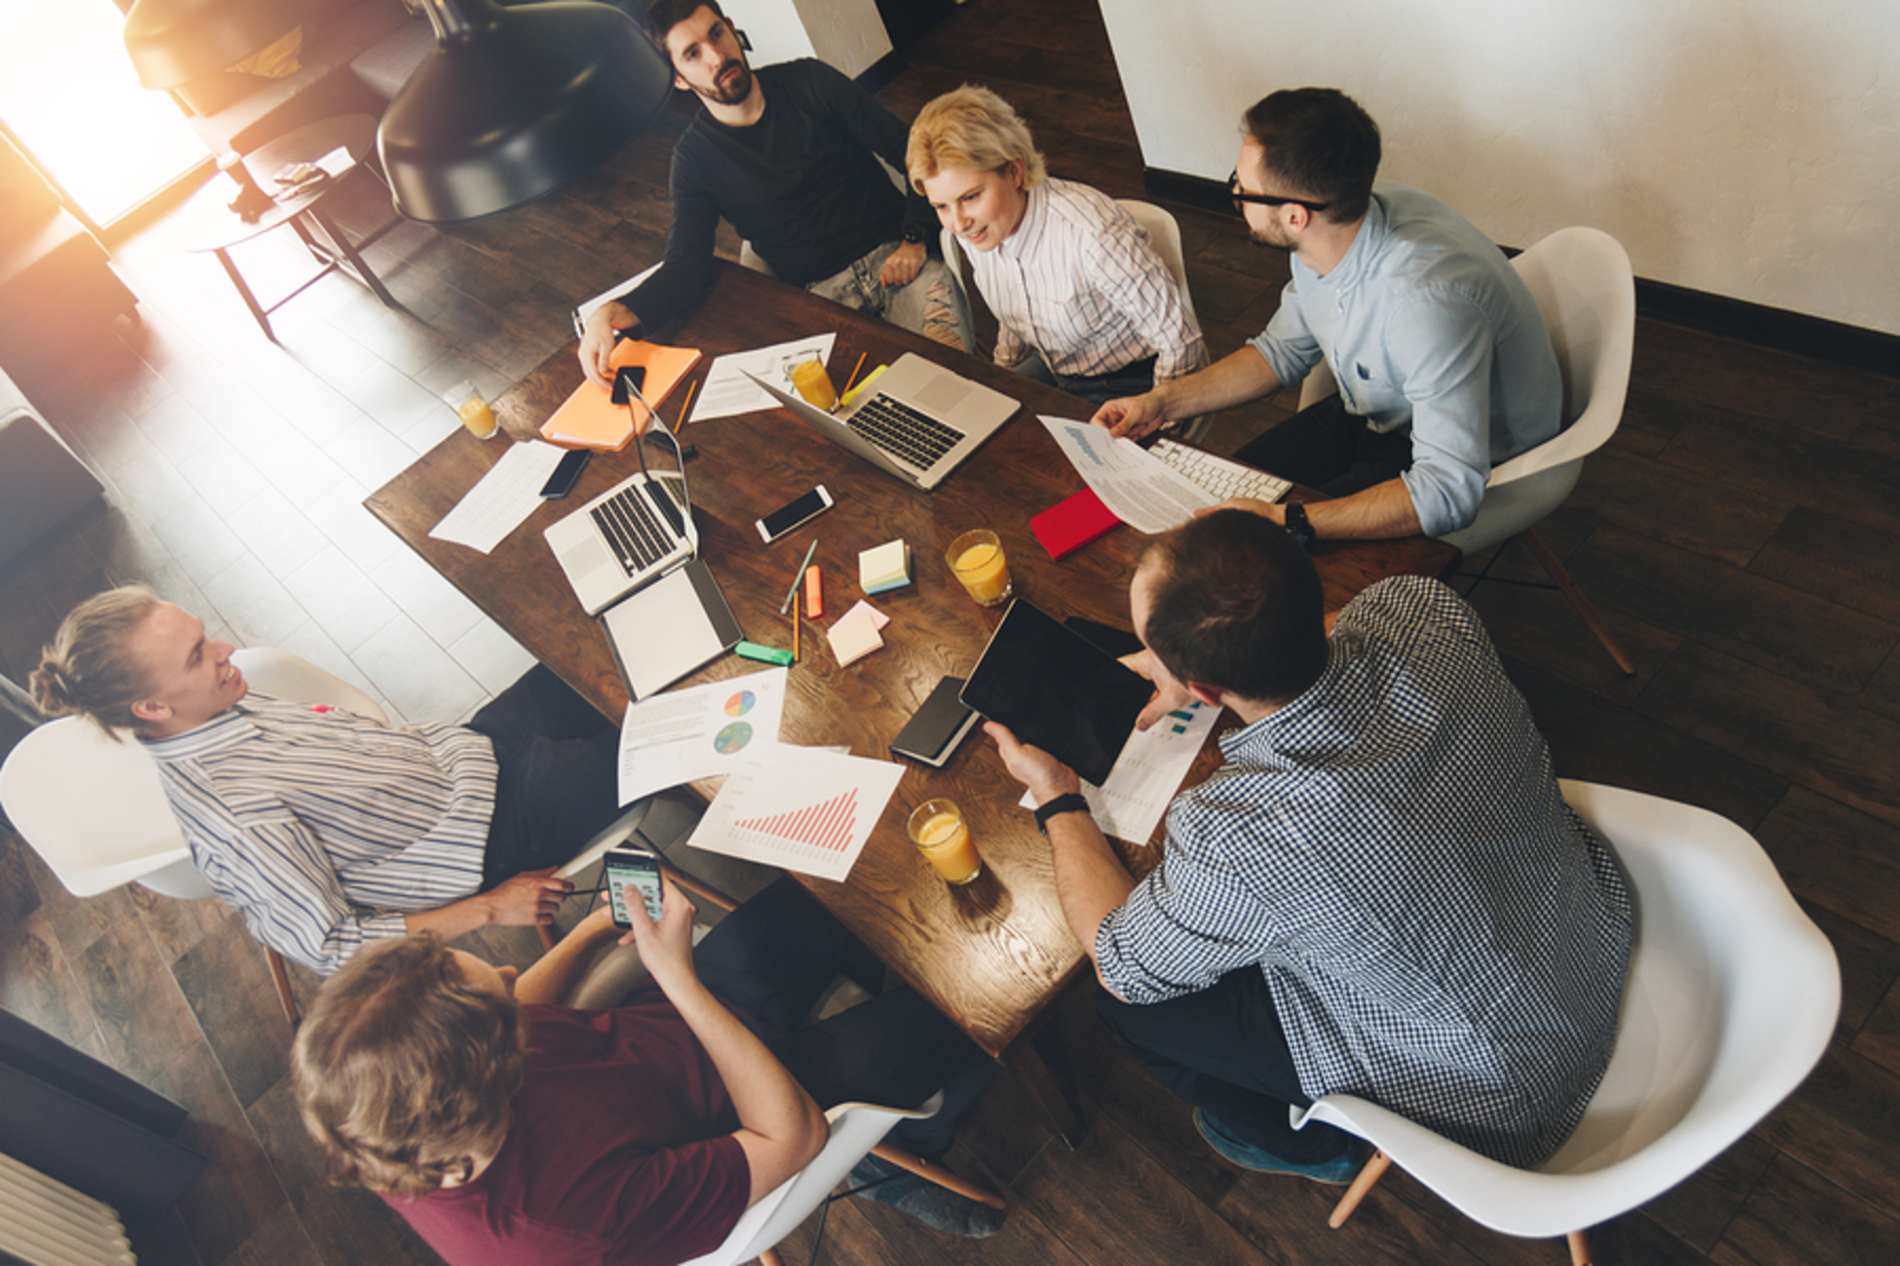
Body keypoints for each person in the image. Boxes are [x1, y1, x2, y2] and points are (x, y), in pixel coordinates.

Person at [985, 510, 1633, 1178]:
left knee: (1129, 1016)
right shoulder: (1417, 604)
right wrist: (1211, 662)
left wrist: (1058, 795)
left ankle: (1319, 1148)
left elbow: (1121, 965)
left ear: (1202, 690)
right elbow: (1334, 636)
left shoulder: (1237, 834)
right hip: (1589, 936)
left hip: (1507, 1084)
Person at [292, 875, 1002, 1264]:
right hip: (772, 1106)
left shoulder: (382, 1117)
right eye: (505, 994)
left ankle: (877, 998)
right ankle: (900, 1164)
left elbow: (517, 1007)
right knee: (980, 993)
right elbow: (793, 1141)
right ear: (498, 1076)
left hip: (677, 1029)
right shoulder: (564, 1226)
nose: (515, 971)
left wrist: (593, 927)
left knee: (830, 888)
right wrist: (680, 980)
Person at [29, 587, 628, 975]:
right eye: (195, 655)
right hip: (494, 834)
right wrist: (491, 909)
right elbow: (331, 947)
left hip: (469, 753)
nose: (225, 648)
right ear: (153, 709)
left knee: (602, 647)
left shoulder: (213, 702)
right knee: (668, 738)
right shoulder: (234, 822)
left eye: (203, 633)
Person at [1094, 88, 1562, 544]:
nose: (1235, 195)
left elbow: (1448, 491)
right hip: (1379, 413)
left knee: (1246, 558)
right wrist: (1163, 401)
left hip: (1473, 458)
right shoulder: (1335, 223)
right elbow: (1280, 353)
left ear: (1295, 216)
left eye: (1242, 188)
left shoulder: (1424, 307)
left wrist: (1289, 520)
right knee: (1211, 511)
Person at [578, 1, 969, 387]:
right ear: (678, 77)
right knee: (873, 417)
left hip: (899, 261)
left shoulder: (810, 81)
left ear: (732, 28)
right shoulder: (694, 160)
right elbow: (687, 265)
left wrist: (916, 235)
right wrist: (614, 311)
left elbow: (915, 153)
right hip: (820, 300)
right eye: (692, 54)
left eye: (717, 34)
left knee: (952, 386)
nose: (716, 56)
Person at [906, 84, 1205, 404]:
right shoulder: (977, 230)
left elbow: (1180, 343)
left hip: (1131, 383)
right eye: (941, 207)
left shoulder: (1092, 233)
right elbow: (1015, 310)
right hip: (1058, 369)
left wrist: (1156, 414)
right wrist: (1001, 380)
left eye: (970, 197)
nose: (958, 222)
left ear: (1015, 171)